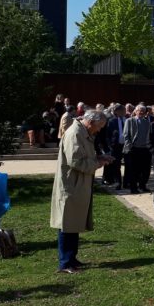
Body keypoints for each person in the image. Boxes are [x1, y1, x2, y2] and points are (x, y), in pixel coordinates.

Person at [50, 110, 112, 274]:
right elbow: (75, 161)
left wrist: (99, 158)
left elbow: (84, 156)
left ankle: (71, 258)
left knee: (74, 222)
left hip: (78, 185)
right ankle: (65, 262)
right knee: (67, 223)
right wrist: (97, 164)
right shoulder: (75, 133)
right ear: (90, 122)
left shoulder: (83, 132)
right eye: (98, 127)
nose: (98, 130)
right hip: (71, 185)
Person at [123, 104, 152, 194]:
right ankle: (133, 188)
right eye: (139, 110)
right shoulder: (129, 121)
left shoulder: (147, 122)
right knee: (134, 170)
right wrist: (130, 146)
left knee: (145, 170)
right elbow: (126, 135)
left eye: (143, 110)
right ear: (135, 111)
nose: (141, 112)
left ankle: (142, 186)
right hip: (133, 149)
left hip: (145, 149)